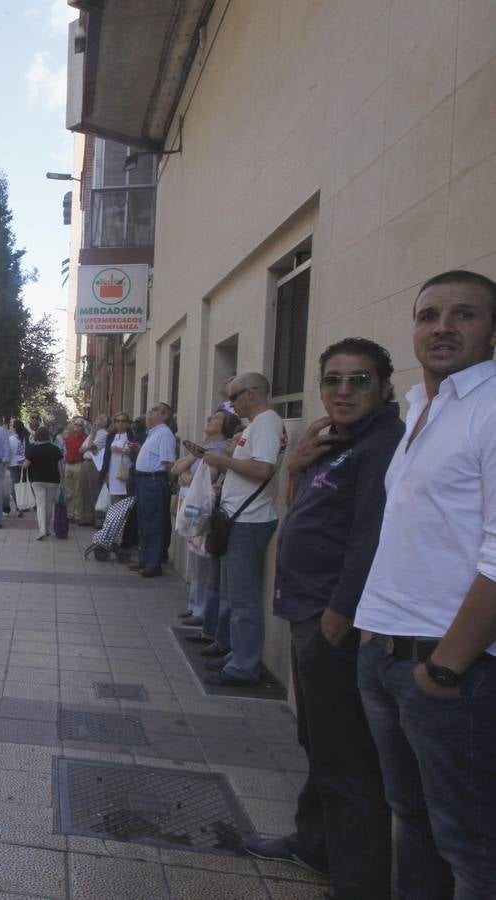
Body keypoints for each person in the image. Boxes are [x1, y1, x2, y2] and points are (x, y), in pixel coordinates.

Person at [236, 338, 402, 894]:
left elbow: (369, 537)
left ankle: (357, 880)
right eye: (333, 380)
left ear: (384, 385)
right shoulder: (337, 443)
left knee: (348, 759)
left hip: (332, 620)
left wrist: (339, 615)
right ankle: (315, 842)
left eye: (359, 380)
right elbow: (307, 517)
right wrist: (296, 472)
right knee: (319, 742)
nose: (344, 390)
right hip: (307, 612)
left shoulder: (383, 443)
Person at [353, 270, 496, 898]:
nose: (442, 327)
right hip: (384, 654)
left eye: (463, 314)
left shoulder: (490, 410)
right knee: (410, 821)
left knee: (471, 848)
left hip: (452, 672)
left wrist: (445, 668)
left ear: (492, 329)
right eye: (428, 314)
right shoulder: (421, 409)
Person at [200, 372, 283, 687]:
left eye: (233, 397)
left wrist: (225, 461)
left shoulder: (267, 423)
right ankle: (238, 654)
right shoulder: (255, 426)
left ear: (252, 394)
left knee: (244, 599)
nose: (230, 405)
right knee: (235, 595)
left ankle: (244, 665)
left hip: (249, 522)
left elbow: (263, 468)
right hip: (237, 518)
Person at [175, 408, 239, 628]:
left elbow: (200, 478)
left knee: (203, 558)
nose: (210, 418)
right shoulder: (203, 447)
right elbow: (177, 470)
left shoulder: (220, 449)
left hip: (203, 506)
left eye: (217, 418)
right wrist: (189, 468)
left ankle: (202, 609)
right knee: (194, 554)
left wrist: (187, 476)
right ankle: (194, 604)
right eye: (211, 416)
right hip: (190, 504)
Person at [131, 403, 177, 577]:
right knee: (144, 522)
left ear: (164, 415)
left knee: (154, 522)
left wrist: (172, 483)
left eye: (155, 410)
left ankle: (153, 562)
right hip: (144, 481)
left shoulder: (165, 434)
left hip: (154, 481)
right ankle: (145, 559)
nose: (150, 412)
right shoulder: (153, 434)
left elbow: (168, 463)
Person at [25, 426, 64, 540]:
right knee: (49, 505)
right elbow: (60, 465)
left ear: (37, 436)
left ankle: (42, 530)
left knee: (40, 505)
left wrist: (22, 465)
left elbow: (26, 464)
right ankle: (46, 528)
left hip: (37, 480)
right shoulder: (55, 448)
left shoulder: (32, 449)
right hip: (53, 480)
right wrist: (62, 478)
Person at [60, 418, 88, 525]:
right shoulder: (69, 437)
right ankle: (69, 513)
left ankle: (77, 514)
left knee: (78, 491)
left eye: (79, 425)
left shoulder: (85, 438)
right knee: (69, 492)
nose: (77, 426)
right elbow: (66, 449)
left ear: (83, 427)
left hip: (78, 464)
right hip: (68, 464)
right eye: (75, 424)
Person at [6, 419, 29, 517]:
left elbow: (8, 453)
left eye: (11, 426)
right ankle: (23, 505)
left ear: (15, 428)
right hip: (23, 464)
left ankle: (19, 507)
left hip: (14, 465)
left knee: (14, 488)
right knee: (22, 486)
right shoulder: (24, 438)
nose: (10, 427)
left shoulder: (11, 439)